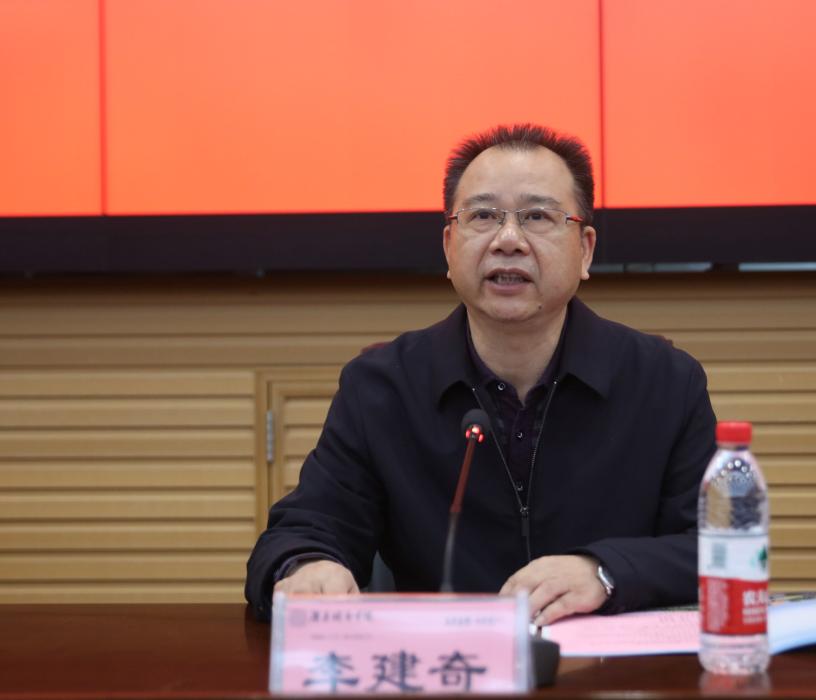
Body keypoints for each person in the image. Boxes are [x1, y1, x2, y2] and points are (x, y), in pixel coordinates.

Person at [245, 124, 716, 624]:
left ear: (585, 250)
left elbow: (717, 549)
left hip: (612, 664)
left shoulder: (665, 382)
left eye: (538, 216)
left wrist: (604, 572)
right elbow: (302, 530)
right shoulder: (382, 387)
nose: (508, 241)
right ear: (449, 246)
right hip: (443, 660)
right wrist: (308, 565)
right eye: (483, 216)